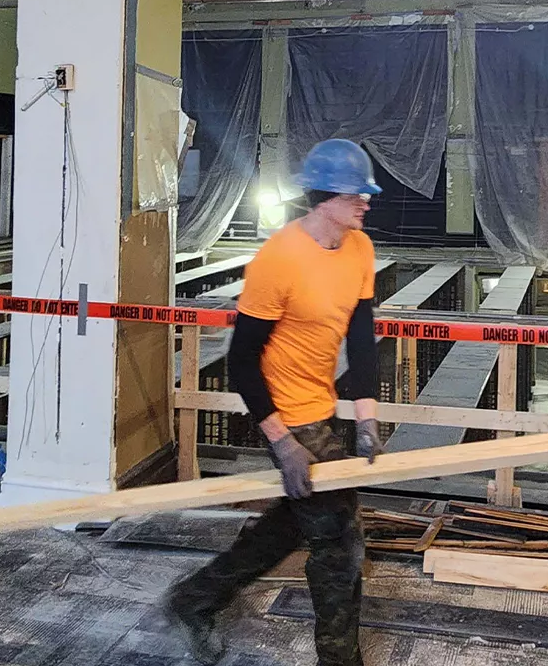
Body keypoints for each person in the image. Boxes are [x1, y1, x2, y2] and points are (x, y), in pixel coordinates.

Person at [164, 139, 387, 666]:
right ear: (326, 197)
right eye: (358, 194)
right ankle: (339, 659)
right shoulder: (279, 259)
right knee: (338, 543)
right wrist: (283, 443)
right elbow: (242, 361)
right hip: (286, 412)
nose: (366, 203)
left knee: (293, 520)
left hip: (323, 405)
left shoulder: (359, 249)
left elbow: (360, 339)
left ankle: (195, 599)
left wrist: (367, 418)